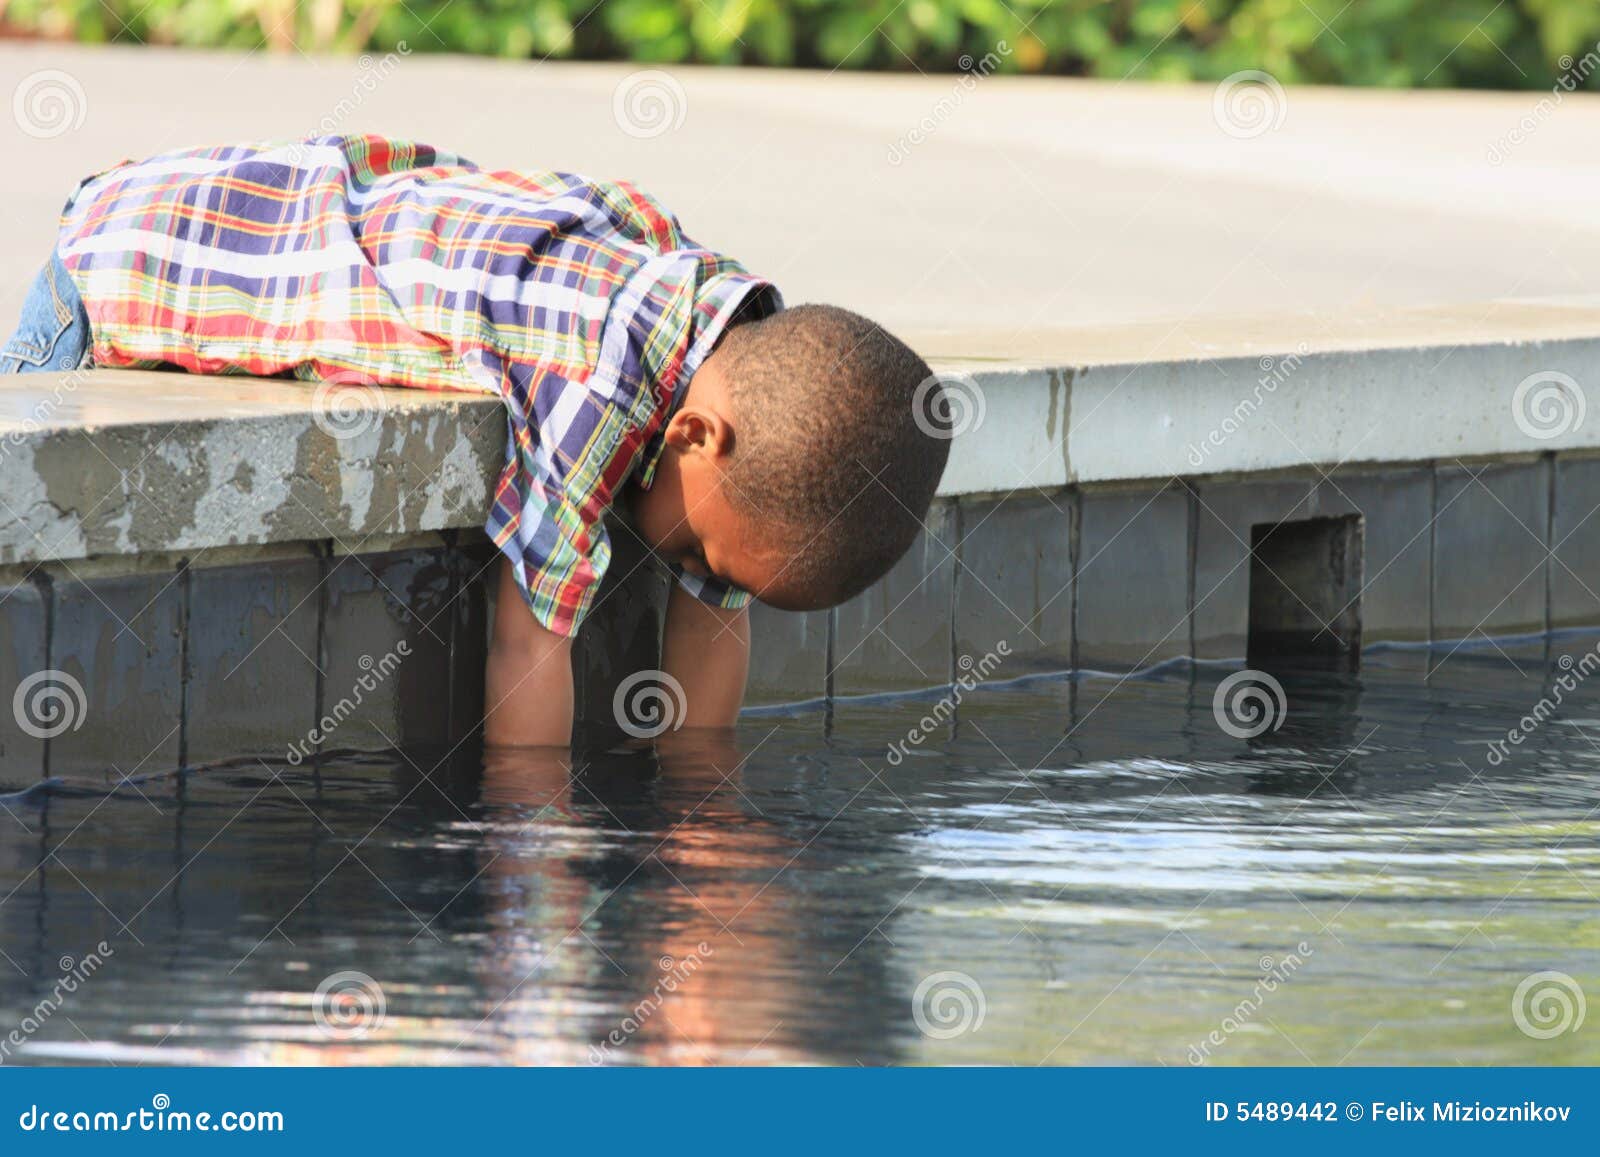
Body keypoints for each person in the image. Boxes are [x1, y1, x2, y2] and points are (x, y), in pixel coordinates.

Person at [3, 135, 950, 746]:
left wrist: (704, 830)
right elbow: (525, 645)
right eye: (703, 552)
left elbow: (718, 606)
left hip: (281, 194)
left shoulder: (718, 339)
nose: (697, 574)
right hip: (129, 270)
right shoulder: (593, 377)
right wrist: (537, 853)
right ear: (697, 436)